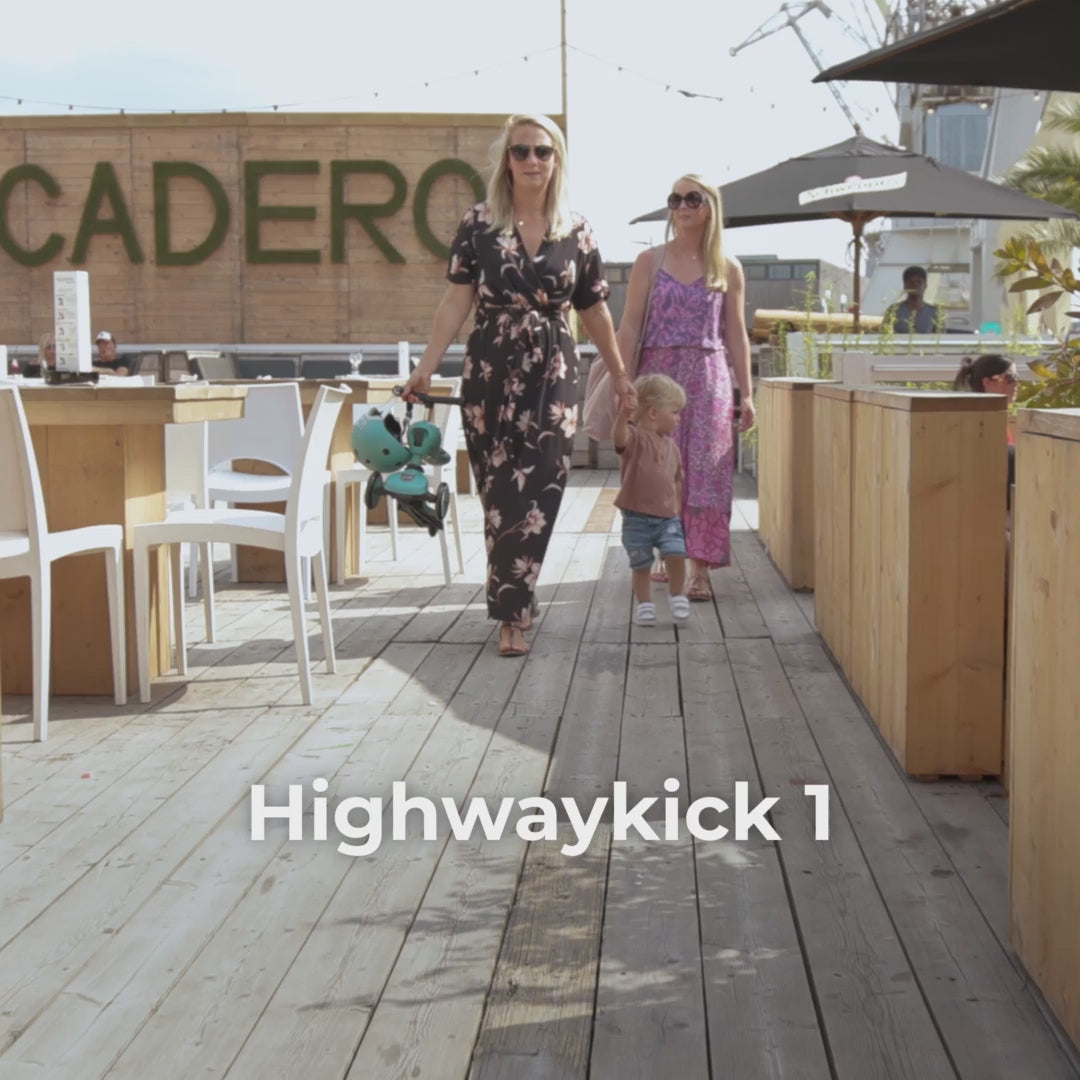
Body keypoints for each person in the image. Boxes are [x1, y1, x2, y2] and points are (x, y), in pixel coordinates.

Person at [400, 113, 635, 658]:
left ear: (557, 161)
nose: (532, 160)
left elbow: (595, 309)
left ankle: (513, 612)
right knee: (499, 490)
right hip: (490, 367)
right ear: (506, 161)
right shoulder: (478, 223)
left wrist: (620, 374)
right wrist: (426, 366)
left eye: (542, 151)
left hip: (554, 369)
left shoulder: (576, 229)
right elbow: (456, 300)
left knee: (542, 481)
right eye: (521, 150)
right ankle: (516, 598)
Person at [616, 174, 754, 602]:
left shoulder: (727, 268)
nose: (682, 206)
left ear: (711, 207)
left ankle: (701, 570)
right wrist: (622, 380)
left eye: (693, 198)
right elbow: (630, 324)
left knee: (707, 472)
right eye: (675, 199)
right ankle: (666, 550)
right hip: (657, 376)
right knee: (655, 468)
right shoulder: (649, 261)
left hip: (708, 378)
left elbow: (736, 335)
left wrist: (747, 393)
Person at [613, 374, 690, 626]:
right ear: (654, 413)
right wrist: (623, 417)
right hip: (636, 518)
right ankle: (645, 604)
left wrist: (676, 508)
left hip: (668, 518)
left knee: (676, 553)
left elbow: (677, 480)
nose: (678, 418)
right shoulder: (635, 437)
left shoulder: (672, 447)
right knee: (641, 564)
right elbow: (619, 439)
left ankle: (677, 595)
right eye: (675, 412)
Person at [884, 265, 942, 334]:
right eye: (911, 282)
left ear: (925, 285)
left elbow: (941, 337)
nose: (915, 284)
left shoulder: (935, 312)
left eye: (919, 282)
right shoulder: (894, 310)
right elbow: (883, 334)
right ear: (905, 286)